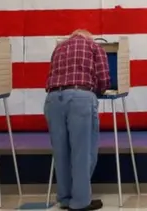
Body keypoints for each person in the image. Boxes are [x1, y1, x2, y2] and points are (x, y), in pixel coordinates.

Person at [45, 29, 110, 211]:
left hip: (52, 99)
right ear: (88, 36)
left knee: (61, 152)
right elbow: (104, 80)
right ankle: (81, 201)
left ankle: (65, 199)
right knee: (82, 151)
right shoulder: (93, 46)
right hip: (79, 98)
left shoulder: (59, 48)